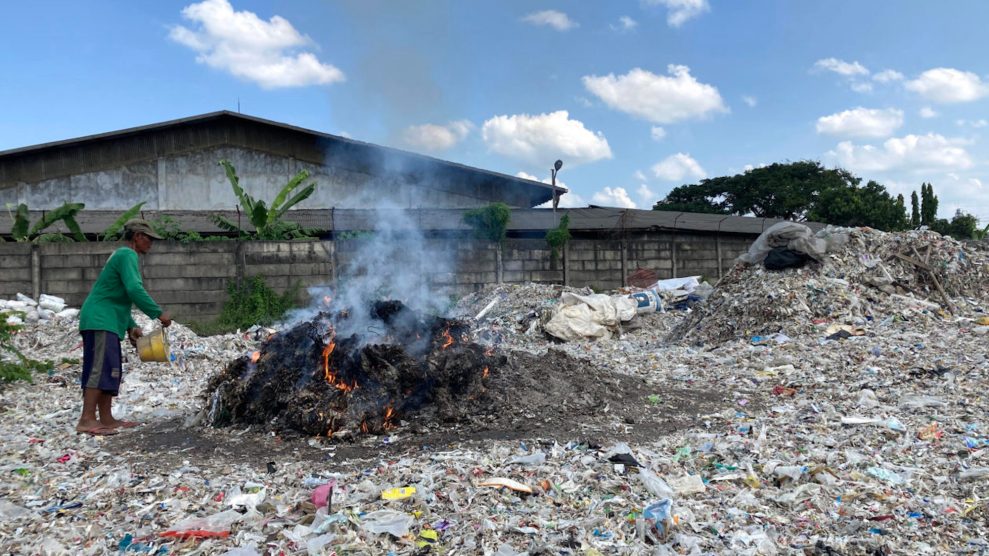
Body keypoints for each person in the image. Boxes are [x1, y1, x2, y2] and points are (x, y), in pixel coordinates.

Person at [75, 219, 172, 435]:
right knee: (99, 369)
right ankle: (86, 419)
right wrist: (158, 313)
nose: (151, 244)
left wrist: (131, 325)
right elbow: (134, 289)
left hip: (109, 320)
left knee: (111, 369)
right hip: (100, 320)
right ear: (137, 236)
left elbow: (119, 295)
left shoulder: (122, 255)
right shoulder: (127, 254)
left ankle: (107, 419)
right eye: (149, 239)